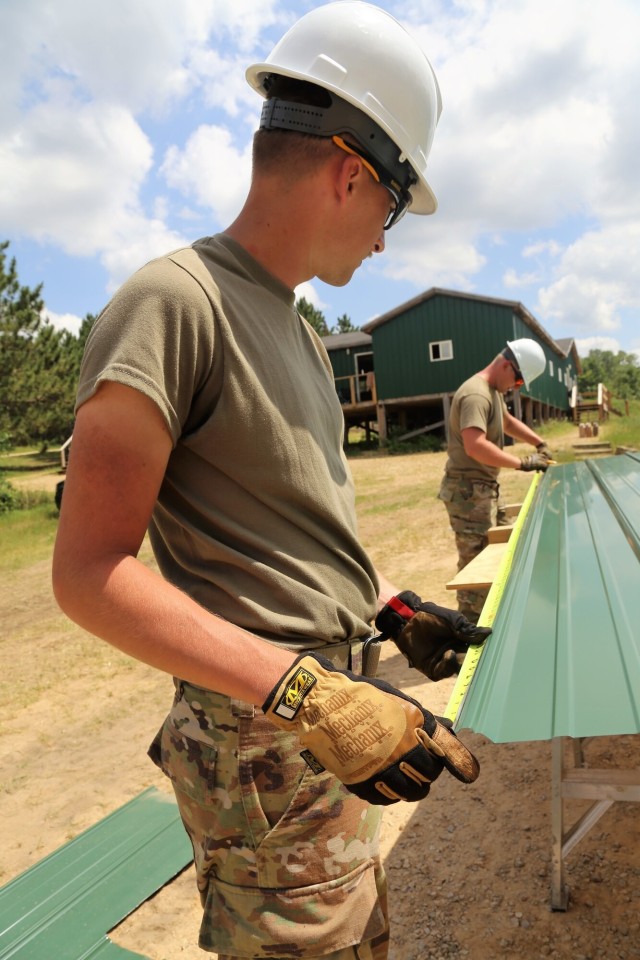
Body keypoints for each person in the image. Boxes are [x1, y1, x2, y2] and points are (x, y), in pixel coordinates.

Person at [52, 4, 489, 958]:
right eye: (389, 209)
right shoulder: (174, 304)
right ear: (350, 174)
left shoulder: (294, 329)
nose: (384, 240)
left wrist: (390, 608)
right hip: (265, 737)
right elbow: (88, 572)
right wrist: (308, 697)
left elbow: (290, 526)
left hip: (331, 714)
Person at [438, 338, 551, 623]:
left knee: (489, 557)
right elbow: (474, 445)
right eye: (518, 380)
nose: (517, 386)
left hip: (480, 490)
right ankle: (470, 629)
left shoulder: (492, 392)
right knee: (476, 564)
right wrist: (522, 463)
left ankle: (485, 618)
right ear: (505, 365)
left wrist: (539, 443)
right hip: (468, 494)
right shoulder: (476, 395)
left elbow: (508, 422)